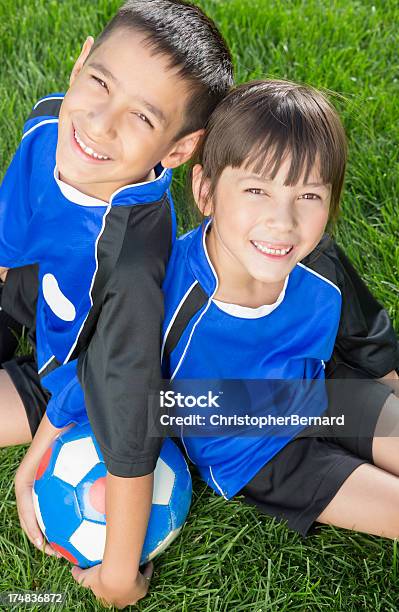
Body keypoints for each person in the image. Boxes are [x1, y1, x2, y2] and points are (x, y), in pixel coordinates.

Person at [0, 0, 233, 607]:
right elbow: (9, 244)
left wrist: (119, 579)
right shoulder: (50, 128)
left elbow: (132, 429)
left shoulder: (130, 271)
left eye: (141, 117)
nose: (100, 124)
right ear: (79, 64)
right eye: (100, 82)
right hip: (44, 298)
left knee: (100, 385)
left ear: (179, 149)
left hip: (81, 375)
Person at [161, 80, 399, 541]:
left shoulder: (318, 262)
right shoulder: (166, 291)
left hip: (324, 395)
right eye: (256, 190)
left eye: (308, 196)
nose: (283, 221)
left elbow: (367, 342)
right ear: (205, 191)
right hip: (259, 452)